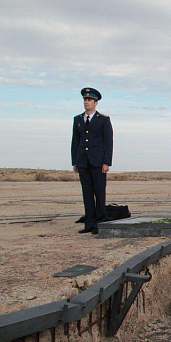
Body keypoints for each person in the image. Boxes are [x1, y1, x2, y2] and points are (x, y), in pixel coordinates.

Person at [72, 87, 113, 234]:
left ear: (96, 103)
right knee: (87, 193)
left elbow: (108, 142)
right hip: (83, 161)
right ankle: (89, 223)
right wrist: (75, 162)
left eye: (89, 100)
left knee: (99, 192)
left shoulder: (103, 120)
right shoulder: (77, 119)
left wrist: (107, 162)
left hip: (98, 162)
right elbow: (75, 141)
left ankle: (100, 223)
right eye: (85, 99)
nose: (86, 102)